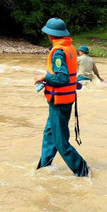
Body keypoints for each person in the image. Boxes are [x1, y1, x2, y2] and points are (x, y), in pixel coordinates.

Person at [35, 18, 90, 176]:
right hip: (63, 100)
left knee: (60, 141)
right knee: (50, 133)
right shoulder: (70, 47)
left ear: (50, 35)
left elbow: (62, 78)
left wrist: (43, 77)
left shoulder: (58, 52)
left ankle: (83, 171)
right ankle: (43, 167)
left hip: (59, 101)